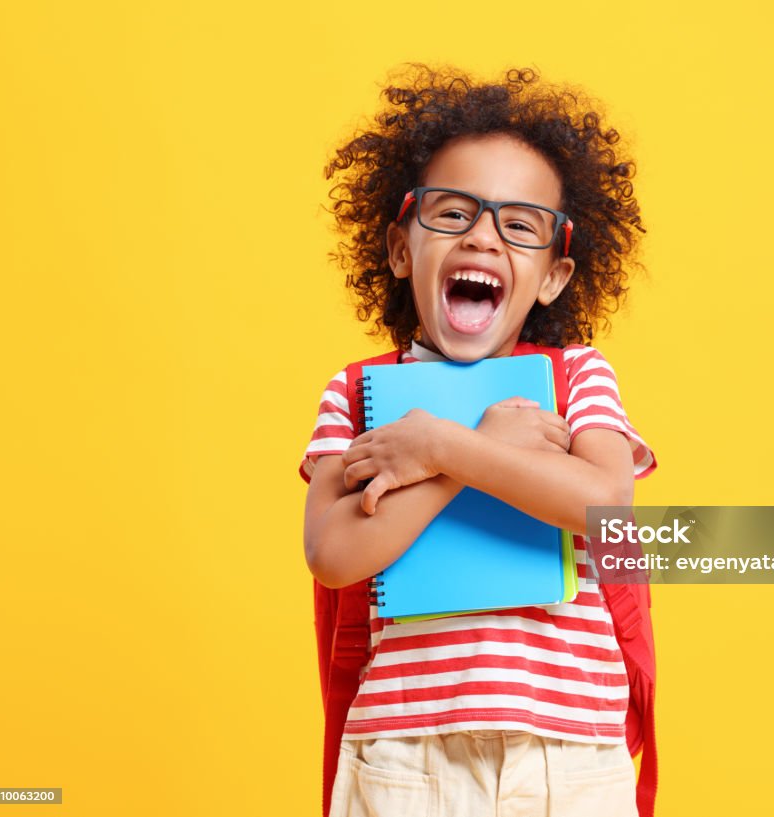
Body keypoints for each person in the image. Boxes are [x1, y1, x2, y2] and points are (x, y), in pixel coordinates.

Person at [299, 65, 656, 817]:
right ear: (401, 250)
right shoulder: (357, 393)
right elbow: (333, 554)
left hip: (569, 752)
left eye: (518, 224)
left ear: (554, 276)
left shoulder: (579, 376)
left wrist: (447, 448)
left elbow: (605, 502)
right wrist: (448, 454)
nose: (484, 237)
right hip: (405, 753)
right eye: (452, 213)